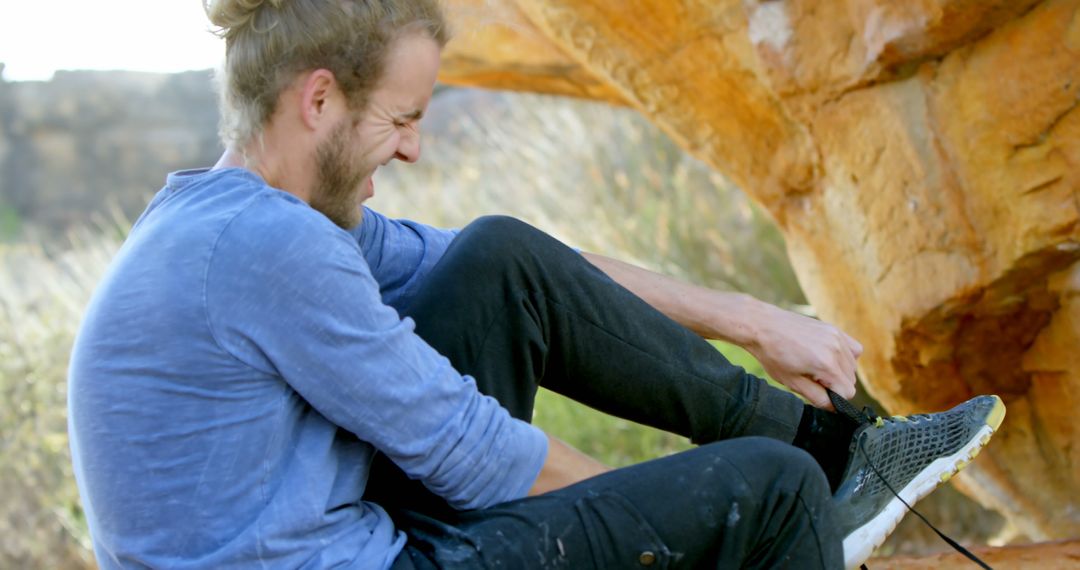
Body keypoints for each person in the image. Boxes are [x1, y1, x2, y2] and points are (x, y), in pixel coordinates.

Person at [67, 1, 1004, 568]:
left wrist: (752, 320)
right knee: (769, 494)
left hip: (345, 536)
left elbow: (534, 275)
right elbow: (464, 446)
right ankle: (808, 483)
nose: (413, 147)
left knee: (497, 256)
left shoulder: (241, 219)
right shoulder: (269, 248)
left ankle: (840, 450)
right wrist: (689, 518)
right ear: (318, 100)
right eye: (401, 119)